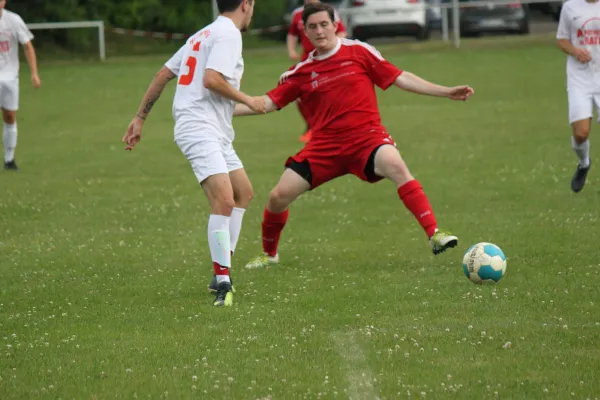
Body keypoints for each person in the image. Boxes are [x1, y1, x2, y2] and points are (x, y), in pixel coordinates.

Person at [233, 3, 474, 269]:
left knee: (396, 166)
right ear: (305, 32)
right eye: (312, 27)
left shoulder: (359, 51)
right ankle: (270, 254)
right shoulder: (300, 73)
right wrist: (224, 111)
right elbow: (267, 103)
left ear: (335, 24)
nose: (319, 31)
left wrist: (445, 91)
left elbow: (399, 77)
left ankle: (434, 234)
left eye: (324, 24)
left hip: (367, 139)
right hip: (324, 148)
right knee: (278, 196)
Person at [122, 0, 265, 307]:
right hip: (199, 128)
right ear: (245, 4)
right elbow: (211, 80)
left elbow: (163, 75)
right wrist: (249, 100)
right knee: (224, 200)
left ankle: (221, 268)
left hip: (213, 128)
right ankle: (223, 282)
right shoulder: (229, 33)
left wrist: (139, 118)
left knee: (243, 193)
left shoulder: (201, 34)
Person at [287, 0, 347, 143]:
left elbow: (342, 32)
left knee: (328, 93)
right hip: (307, 61)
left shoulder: (328, 12)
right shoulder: (297, 14)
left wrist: (331, 45)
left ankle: (331, 127)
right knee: (300, 96)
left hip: (328, 60)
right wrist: (291, 49)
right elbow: (292, 34)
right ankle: (312, 126)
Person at [556, 0, 600, 193]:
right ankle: (584, 163)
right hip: (579, 78)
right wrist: (575, 51)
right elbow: (561, 39)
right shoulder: (570, 7)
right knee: (581, 134)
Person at [0, 0, 41, 171]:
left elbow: (28, 46)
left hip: (9, 77)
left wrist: (34, 73)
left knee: (9, 116)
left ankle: (9, 159)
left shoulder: (13, 20)